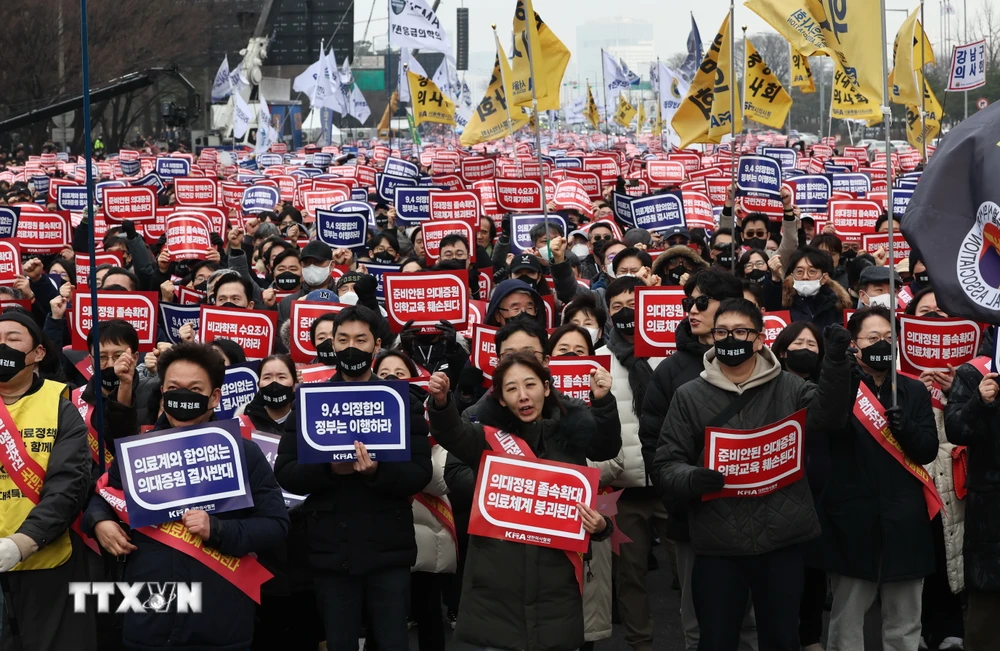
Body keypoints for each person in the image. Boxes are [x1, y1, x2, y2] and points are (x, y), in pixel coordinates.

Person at [654, 299, 852, 651]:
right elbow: (667, 463)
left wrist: (836, 362)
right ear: (712, 338)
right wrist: (691, 478)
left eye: (741, 332)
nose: (731, 338)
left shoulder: (790, 387)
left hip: (781, 542)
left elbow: (830, 417)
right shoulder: (689, 395)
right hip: (718, 545)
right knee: (716, 641)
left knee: (781, 638)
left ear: (760, 339)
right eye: (722, 332)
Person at [82, 341, 290, 650]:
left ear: (215, 396)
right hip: (149, 613)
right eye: (174, 388)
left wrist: (218, 529)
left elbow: (275, 525)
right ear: (162, 395)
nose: (183, 397)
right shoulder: (141, 449)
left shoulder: (243, 453)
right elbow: (103, 497)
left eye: (194, 389)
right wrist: (100, 522)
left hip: (220, 617)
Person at [425, 352, 620, 651]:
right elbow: (451, 433)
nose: (523, 396)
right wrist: (441, 403)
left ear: (546, 387)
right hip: (495, 585)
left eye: (530, 385)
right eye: (512, 388)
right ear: (501, 399)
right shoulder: (487, 439)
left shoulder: (570, 437)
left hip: (556, 586)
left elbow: (606, 446)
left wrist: (604, 402)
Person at [274, 306, 432, 651]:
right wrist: (328, 470)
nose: (351, 348)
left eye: (360, 340)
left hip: (388, 548)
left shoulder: (402, 402)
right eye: (342, 339)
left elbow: (420, 472)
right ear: (331, 344)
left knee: (391, 642)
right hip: (331, 549)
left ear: (376, 346)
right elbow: (285, 472)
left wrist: (378, 472)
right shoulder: (308, 401)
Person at [818, 306, 939, 651]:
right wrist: (835, 362)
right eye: (873, 338)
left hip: (904, 520)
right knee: (847, 623)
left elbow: (927, 450)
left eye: (888, 337)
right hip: (852, 520)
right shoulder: (843, 385)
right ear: (855, 344)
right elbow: (827, 425)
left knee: (904, 624)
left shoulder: (913, 390)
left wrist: (908, 430)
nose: (882, 344)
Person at [639, 268, 745, 651]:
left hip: (754, 511)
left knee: (748, 622)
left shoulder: (763, 365)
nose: (691, 310)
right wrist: (681, 495)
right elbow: (652, 442)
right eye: (688, 303)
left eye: (702, 302)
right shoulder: (669, 371)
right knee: (697, 620)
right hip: (694, 515)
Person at [0, 310, 94, 651]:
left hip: (47, 562)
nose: (2, 348)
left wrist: (23, 542)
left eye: (12, 340)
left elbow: (69, 484)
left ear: (38, 353)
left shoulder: (61, 404)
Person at [594, 275, 671, 651]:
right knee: (631, 576)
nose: (627, 313)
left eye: (633, 304)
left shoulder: (668, 353)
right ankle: (641, 642)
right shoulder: (598, 362)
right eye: (618, 307)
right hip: (623, 490)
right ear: (608, 313)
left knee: (695, 568)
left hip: (671, 482)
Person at [373, 349, 457, 651]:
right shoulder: (362, 421)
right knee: (385, 620)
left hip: (426, 529)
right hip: (382, 533)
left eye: (399, 374)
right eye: (384, 375)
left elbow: (441, 480)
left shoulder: (431, 417)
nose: (392, 380)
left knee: (428, 615)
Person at [944, 352, 1000, 651]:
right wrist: (981, 402)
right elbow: (957, 430)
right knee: (986, 620)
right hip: (991, 518)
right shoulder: (976, 372)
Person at [782, 247, 851, 330]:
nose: (805, 277)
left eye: (812, 271)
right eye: (799, 271)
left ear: (824, 278)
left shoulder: (839, 306)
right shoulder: (783, 304)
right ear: (792, 275)